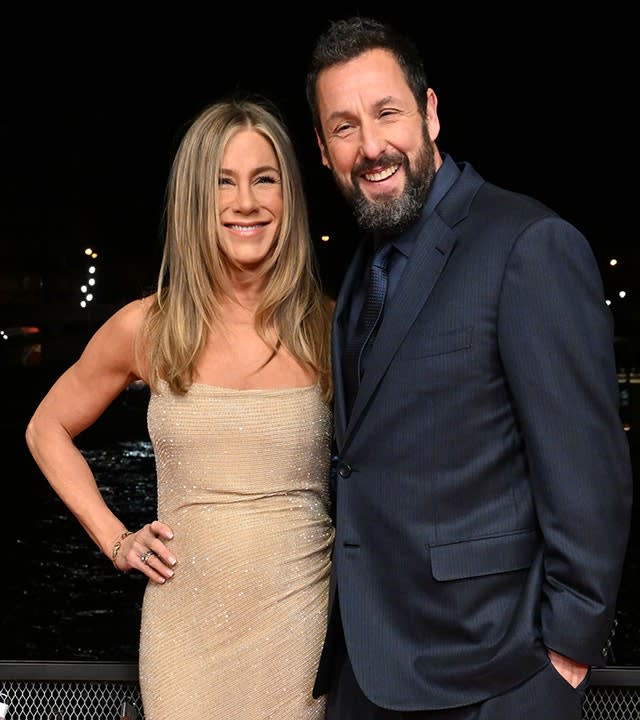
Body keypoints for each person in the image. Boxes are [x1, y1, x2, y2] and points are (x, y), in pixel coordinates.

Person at [304, 15, 633, 720]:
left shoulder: (527, 245)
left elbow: (589, 477)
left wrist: (563, 659)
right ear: (323, 149)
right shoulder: (362, 269)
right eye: (344, 127)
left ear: (429, 112)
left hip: (496, 679)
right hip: (369, 675)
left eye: (387, 113)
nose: (371, 146)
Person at [25, 97, 335, 720]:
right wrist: (116, 540)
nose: (245, 201)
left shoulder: (329, 327)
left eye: (263, 179)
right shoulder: (149, 327)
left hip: (302, 629)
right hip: (185, 637)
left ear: (288, 198)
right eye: (222, 181)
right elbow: (46, 428)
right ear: (195, 200)